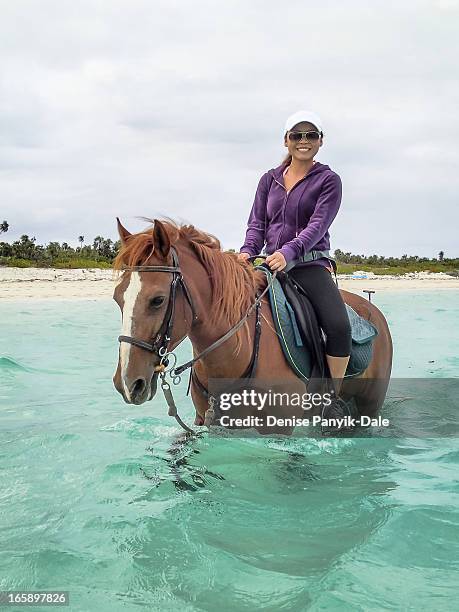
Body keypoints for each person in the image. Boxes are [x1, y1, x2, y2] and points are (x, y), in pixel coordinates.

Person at [238, 110, 353, 429]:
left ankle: (331, 399)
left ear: (320, 141)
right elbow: (256, 224)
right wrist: (247, 252)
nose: (304, 141)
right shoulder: (268, 180)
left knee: (339, 327)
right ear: (286, 140)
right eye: (297, 135)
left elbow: (318, 226)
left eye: (311, 135)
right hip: (267, 264)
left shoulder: (329, 180)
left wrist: (288, 252)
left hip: (309, 264)